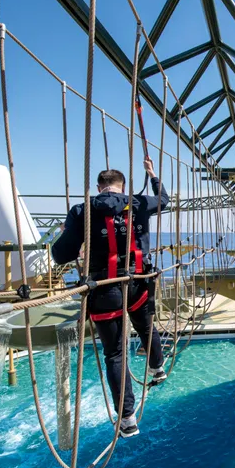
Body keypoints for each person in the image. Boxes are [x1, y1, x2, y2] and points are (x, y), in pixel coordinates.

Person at [52, 157, 169, 438]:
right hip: (138, 282)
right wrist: (152, 175)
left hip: (104, 288)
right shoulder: (140, 203)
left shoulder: (82, 211)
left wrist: (68, 235)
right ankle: (157, 366)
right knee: (145, 326)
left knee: (115, 353)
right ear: (122, 187)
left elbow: (61, 255)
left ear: (99, 187)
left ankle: (127, 418)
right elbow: (164, 200)